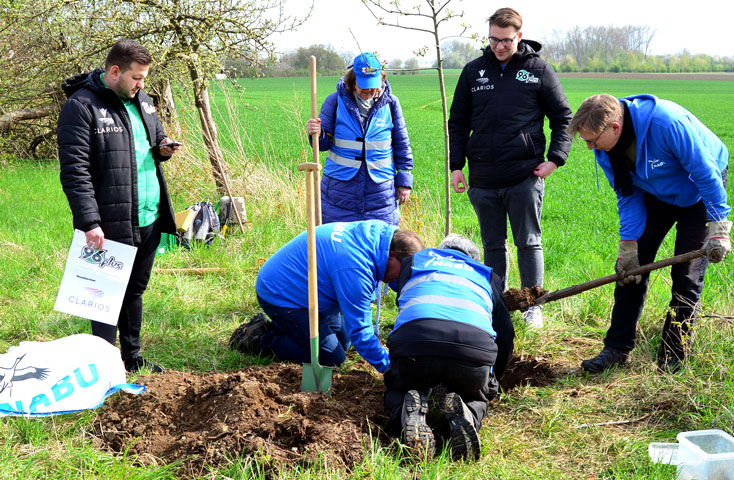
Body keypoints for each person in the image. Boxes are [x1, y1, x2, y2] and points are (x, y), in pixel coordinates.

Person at [567, 93, 730, 374]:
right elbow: (627, 196)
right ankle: (617, 348)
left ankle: (673, 356)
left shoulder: (667, 124)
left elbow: (705, 173)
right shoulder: (605, 151)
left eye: (592, 140)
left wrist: (719, 226)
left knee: (686, 275)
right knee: (630, 271)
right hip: (654, 191)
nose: (590, 147)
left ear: (614, 128)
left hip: (699, 192)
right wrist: (628, 245)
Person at [58, 39, 181, 373]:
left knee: (134, 291)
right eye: (137, 77)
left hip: (149, 216)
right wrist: (89, 221)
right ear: (115, 71)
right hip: (109, 220)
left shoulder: (142, 101)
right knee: (103, 296)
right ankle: (102, 367)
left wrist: (163, 148)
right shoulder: (81, 107)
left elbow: (151, 143)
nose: (142, 85)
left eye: (144, 79)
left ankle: (132, 358)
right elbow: (74, 172)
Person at [447, 7, 573, 328]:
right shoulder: (474, 71)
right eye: (493, 40)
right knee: (492, 244)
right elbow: (458, 122)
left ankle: (534, 305)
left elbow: (563, 119)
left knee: (528, 241)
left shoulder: (538, 70)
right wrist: (456, 166)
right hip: (483, 177)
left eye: (505, 40)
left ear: (519, 35)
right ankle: (495, 304)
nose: (499, 46)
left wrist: (555, 158)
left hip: (524, 175)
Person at [229, 220, 423, 373]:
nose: (400, 278)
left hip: (314, 290)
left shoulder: (380, 235)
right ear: (391, 256)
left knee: (344, 341)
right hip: (282, 294)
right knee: (333, 357)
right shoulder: (355, 267)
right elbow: (361, 333)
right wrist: (390, 367)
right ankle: (260, 338)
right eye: (402, 271)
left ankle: (291, 330)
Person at [383, 234, 515, 460]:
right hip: (472, 352)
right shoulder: (486, 272)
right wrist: (492, 381)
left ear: (441, 249)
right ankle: (469, 413)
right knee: (477, 396)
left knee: (397, 388)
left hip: (416, 346)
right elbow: (506, 334)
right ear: (473, 258)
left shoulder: (415, 262)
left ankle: (407, 411)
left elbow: (405, 307)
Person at [305, 52, 413, 226]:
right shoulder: (334, 102)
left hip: (380, 195)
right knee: (338, 246)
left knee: (379, 246)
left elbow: (402, 143)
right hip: (339, 193)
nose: (369, 91)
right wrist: (316, 133)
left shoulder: (391, 104)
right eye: (364, 86)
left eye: (373, 86)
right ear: (353, 82)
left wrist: (405, 180)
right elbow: (322, 144)